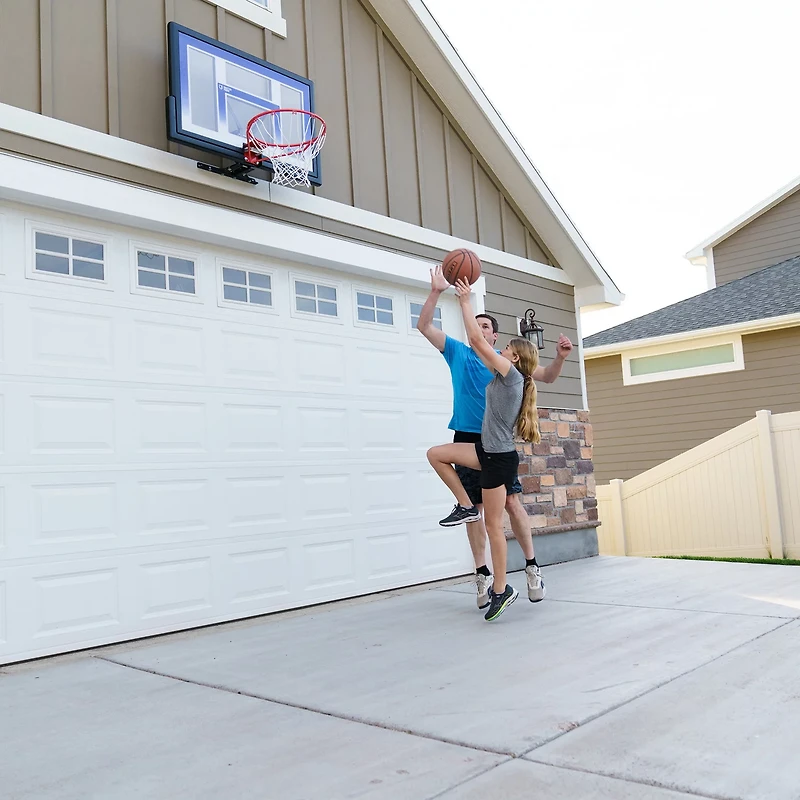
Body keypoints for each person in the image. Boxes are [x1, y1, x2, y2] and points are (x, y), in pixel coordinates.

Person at [417, 265, 573, 610]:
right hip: (470, 438)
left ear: (496, 340)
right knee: (474, 511)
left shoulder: (504, 369)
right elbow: (424, 326)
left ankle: (531, 567)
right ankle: (484, 574)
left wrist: (559, 358)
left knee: (508, 506)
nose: (481, 330)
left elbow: (543, 375)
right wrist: (436, 292)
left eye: (487, 327)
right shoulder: (460, 352)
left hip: (493, 446)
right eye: (479, 324)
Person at [427, 278, 542, 621]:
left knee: (494, 526)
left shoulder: (511, 377)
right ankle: (464, 505)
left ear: (515, 356)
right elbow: (477, 346)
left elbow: (478, 340)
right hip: (486, 452)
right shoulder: (504, 376)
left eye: (506, 347)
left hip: (496, 458)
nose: (502, 350)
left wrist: (464, 300)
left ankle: (500, 589)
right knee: (437, 454)